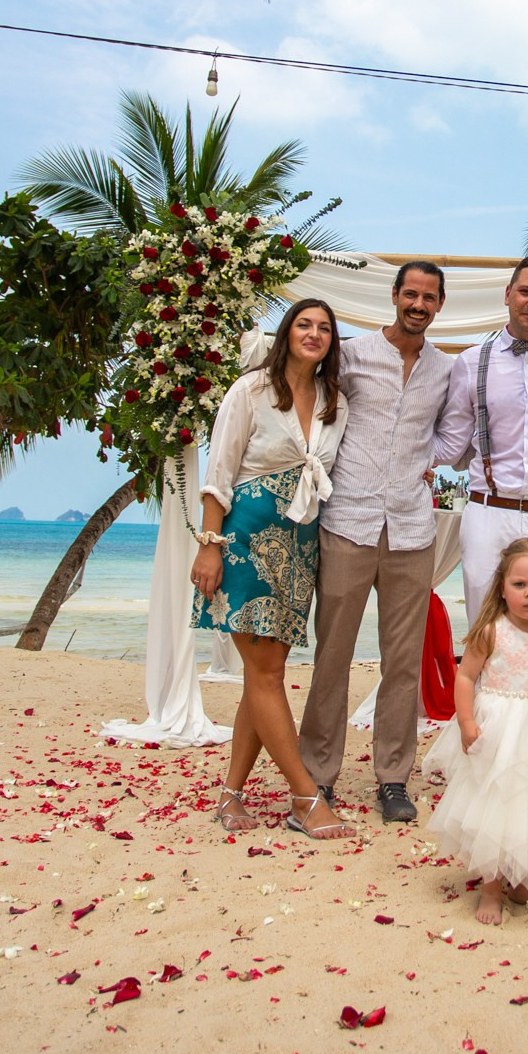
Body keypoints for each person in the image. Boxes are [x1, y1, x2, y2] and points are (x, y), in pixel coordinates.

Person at [299, 261, 454, 826]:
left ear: (440, 305)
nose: (418, 304)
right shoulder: (353, 354)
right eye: (410, 294)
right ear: (394, 296)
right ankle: (318, 774)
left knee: (402, 661)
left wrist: (426, 462)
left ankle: (393, 778)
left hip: (412, 527)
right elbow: (309, 403)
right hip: (347, 521)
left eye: (429, 297)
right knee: (332, 653)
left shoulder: (446, 369)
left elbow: (454, 431)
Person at [192, 299, 352, 840]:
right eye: (304, 325)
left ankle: (231, 796)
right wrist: (209, 545)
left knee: (266, 678)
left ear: (333, 341)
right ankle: (305, 797)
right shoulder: (252, 390)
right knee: (265, 676)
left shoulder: (335, 401)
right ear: (286, 333)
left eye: (324, 328)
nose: (314, 334)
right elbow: (219, 472)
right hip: (245, 540)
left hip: (299, 546)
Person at [422, 537, 528, 926]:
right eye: (520, 585)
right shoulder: (491, 631)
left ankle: (522, 878)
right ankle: (492, 888)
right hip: (499, 730)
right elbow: (465, 677)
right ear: (502, 587)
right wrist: (466, 721)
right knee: (500, 806)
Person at [433, 257, 528, 624]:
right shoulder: (471, 362)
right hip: (488, 513)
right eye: (525, 292)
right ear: (507, 295)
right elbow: (451, 445)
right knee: (485, 624)